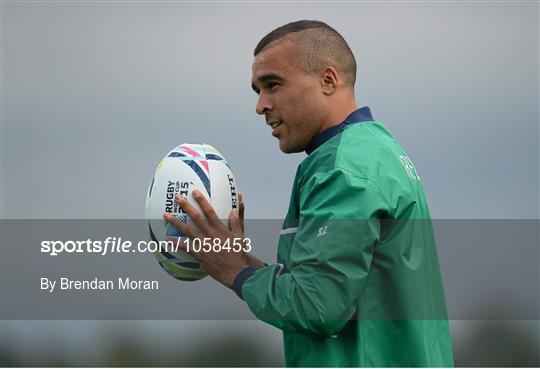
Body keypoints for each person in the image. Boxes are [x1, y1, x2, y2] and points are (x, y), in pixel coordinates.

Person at [165, 20, 454, 367]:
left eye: (273, 85)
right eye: (257, 90)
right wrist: (241, 262)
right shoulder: (377, 149)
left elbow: (318, 308)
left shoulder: (342, 170)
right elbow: (327, 289)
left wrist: (234, 272)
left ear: (328, 80)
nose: (261, 105)